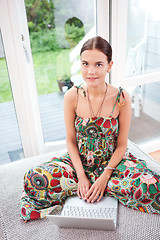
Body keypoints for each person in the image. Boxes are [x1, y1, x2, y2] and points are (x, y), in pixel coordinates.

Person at [20, 36, 160, 222]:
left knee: (151, 187)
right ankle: (95, 186)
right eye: (85, 64)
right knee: (35, 177)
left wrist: (104, 176)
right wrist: (81, 175)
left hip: (112, 164)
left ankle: (102, 186)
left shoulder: (122, 97)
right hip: (78, 162)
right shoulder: (72, 96)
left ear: (109, 66)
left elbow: (122, 145)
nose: (91, 71)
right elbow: (70, 141)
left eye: (99, 64)